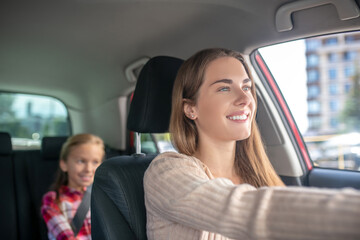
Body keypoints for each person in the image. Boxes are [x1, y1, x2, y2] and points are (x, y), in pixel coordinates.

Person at [143, 48, 360, 240]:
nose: (245, 99)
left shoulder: (257, 173)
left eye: (246, 88)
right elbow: (243, 210)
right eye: (224, 89)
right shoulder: (166, 172)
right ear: (191, 109)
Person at [41, 133, 105, 240]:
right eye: (81, 161)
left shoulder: (103, 196)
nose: (88, 169)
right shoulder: (53, 200)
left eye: (95, 162)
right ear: (64, 164)